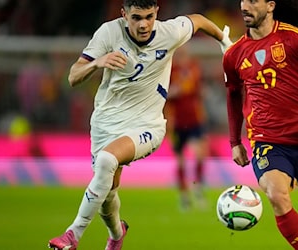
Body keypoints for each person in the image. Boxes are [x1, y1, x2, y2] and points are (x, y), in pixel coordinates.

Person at [48, 0, 232, 249]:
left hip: (148, 126)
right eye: (136, 18)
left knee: (106, 161)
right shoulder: (108, 33)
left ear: (156, 12)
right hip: (106, 124)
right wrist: (96, 63)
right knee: (107, 192)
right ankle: (116, 235)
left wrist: (223, 41)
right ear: (124, 15)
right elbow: (73, 76)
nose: (143, 24)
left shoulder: (169, 32)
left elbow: (198, 20)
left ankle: (73, 234)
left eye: (148, 16)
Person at [222, 0, 298, 250]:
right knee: (277, 195)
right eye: (243, 0)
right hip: (267, 140)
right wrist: (235, 142)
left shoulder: (294, 38)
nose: (245, 6)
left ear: (270, 5)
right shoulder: (234, 53)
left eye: (253, 1)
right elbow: (233, 95)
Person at [165, 45, 208, 210]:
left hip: (195, 119)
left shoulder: (194, 68)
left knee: (199, 155)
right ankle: (184, 196)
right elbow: (161, 94)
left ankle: (198, 189)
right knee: (181, 160)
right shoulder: (170, 71)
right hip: (176, 122)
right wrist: (171, 93)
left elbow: (199, 90)